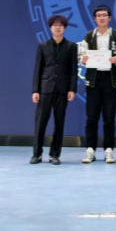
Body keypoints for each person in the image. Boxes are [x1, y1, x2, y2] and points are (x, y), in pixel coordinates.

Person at [79, 5, 116, 165]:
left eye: (104, 15)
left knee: (109, 117)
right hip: (93, 79)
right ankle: (90, 150)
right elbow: (81, 55)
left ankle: (109, 150)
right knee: (91, 117)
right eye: (98, 15)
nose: (101, 18)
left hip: (110, 79)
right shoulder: (89, 36)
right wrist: (83, 59)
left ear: (110, 18)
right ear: (95, 19)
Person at [30, 15, 78, 165]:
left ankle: (54, 154)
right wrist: (35, 90)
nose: (57, 27)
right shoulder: (43, 46)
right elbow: (38, 69)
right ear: (50, 27)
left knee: (59, 122)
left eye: (60, 25)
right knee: (40, 123)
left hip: (62, 90)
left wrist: (72, 89)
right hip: (45, 88)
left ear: (65, 28)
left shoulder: (71, 46)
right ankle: (37, 154)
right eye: (54, 25)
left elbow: (73, 70)